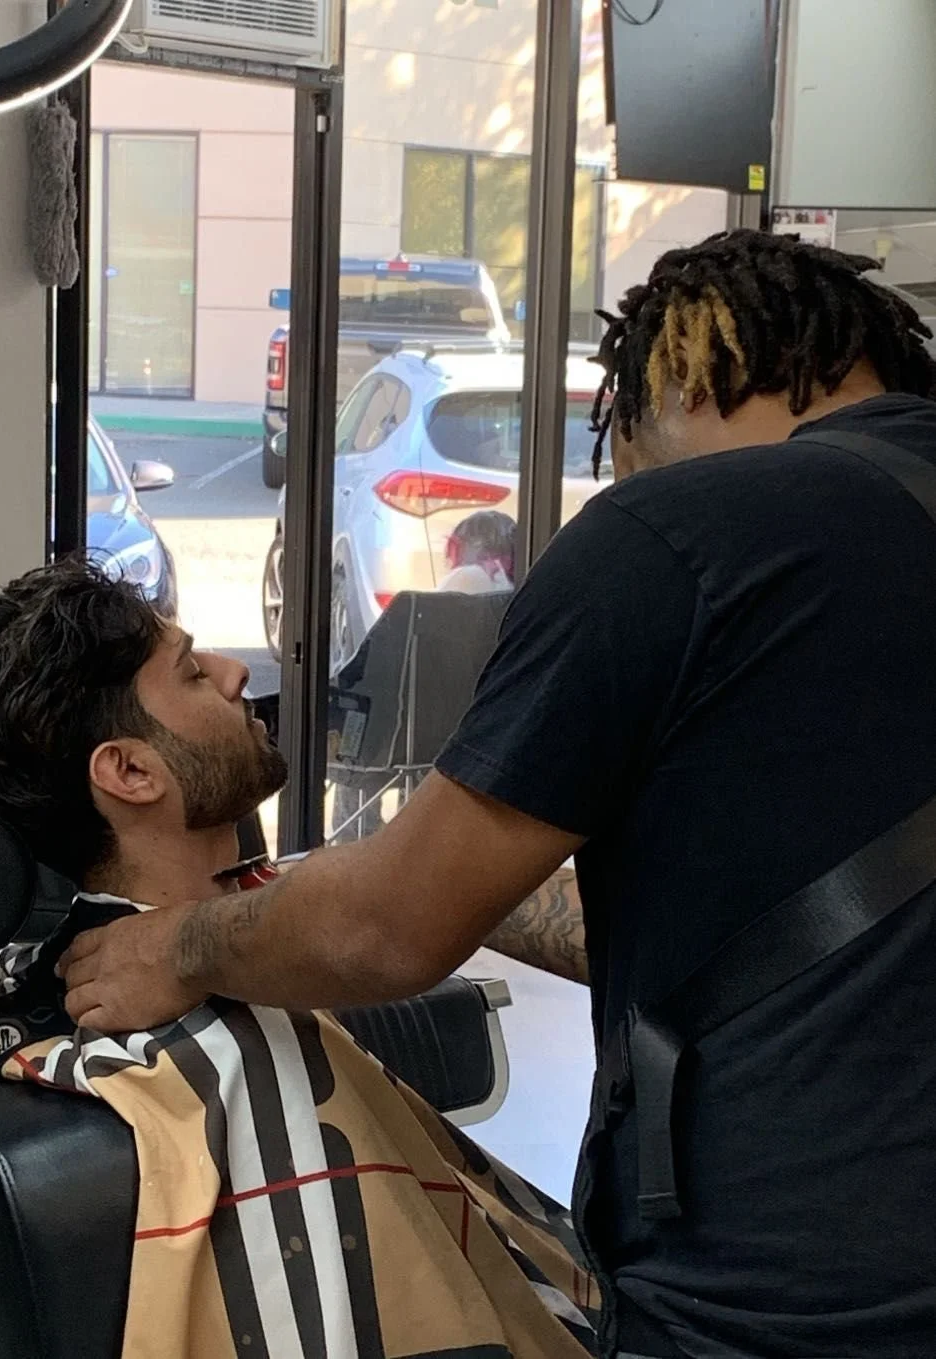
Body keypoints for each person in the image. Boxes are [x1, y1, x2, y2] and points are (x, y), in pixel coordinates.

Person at [59, 230, 936, 1359]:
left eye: (625, 459)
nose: (626, 489)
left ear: (681, 376)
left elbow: (386, 929)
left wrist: (180, 946)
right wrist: (377, 887)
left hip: (796, 1304)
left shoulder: (681, 533)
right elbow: (774, 905)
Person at [0, 559, 599, 1359]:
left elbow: (392, 897)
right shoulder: (209, 1065)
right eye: (191, 671)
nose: (235, 671)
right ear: (131, 771)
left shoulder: (94, 982)